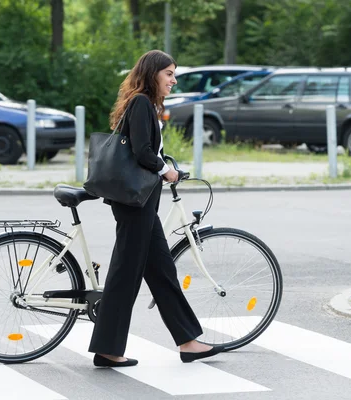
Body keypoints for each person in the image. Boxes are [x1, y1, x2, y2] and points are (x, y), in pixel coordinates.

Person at [88, 50, 223, 367]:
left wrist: (162, 165)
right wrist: (166, 170)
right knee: (125, 274)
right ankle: (107, 348)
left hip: (143, 202)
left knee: (162, 271)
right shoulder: (140, 103)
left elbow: (145, 147)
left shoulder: (144, 105)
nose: (174, 81)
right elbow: (141, 150)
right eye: (169, 74)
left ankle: (188, 341)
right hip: (135, 203)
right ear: (153, 75)